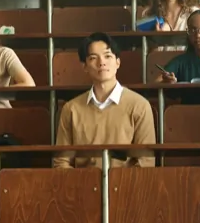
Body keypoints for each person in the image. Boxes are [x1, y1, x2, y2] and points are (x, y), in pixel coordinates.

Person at [53, 33, 155, 169]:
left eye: (108, 56)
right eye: (93, 58)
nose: (101, 62)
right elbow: (61, 163)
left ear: (118, 62)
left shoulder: (140, 105)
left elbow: (145, 163)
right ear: (84, 66)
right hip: (82, 185)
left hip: (126, 186)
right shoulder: (71, 109)